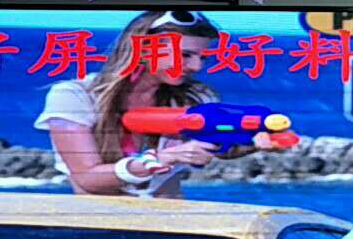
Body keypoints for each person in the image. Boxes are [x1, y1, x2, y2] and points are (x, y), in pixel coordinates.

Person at [35, 10, 278, 197]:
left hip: (170, 227)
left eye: (202, 57)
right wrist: (159, 159)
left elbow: (220, 148)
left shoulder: (196, 98)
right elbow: (88, 178)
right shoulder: (75, 96)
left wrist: (255, 143)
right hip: (101, 228)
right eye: (185, 55)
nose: (196, 67)